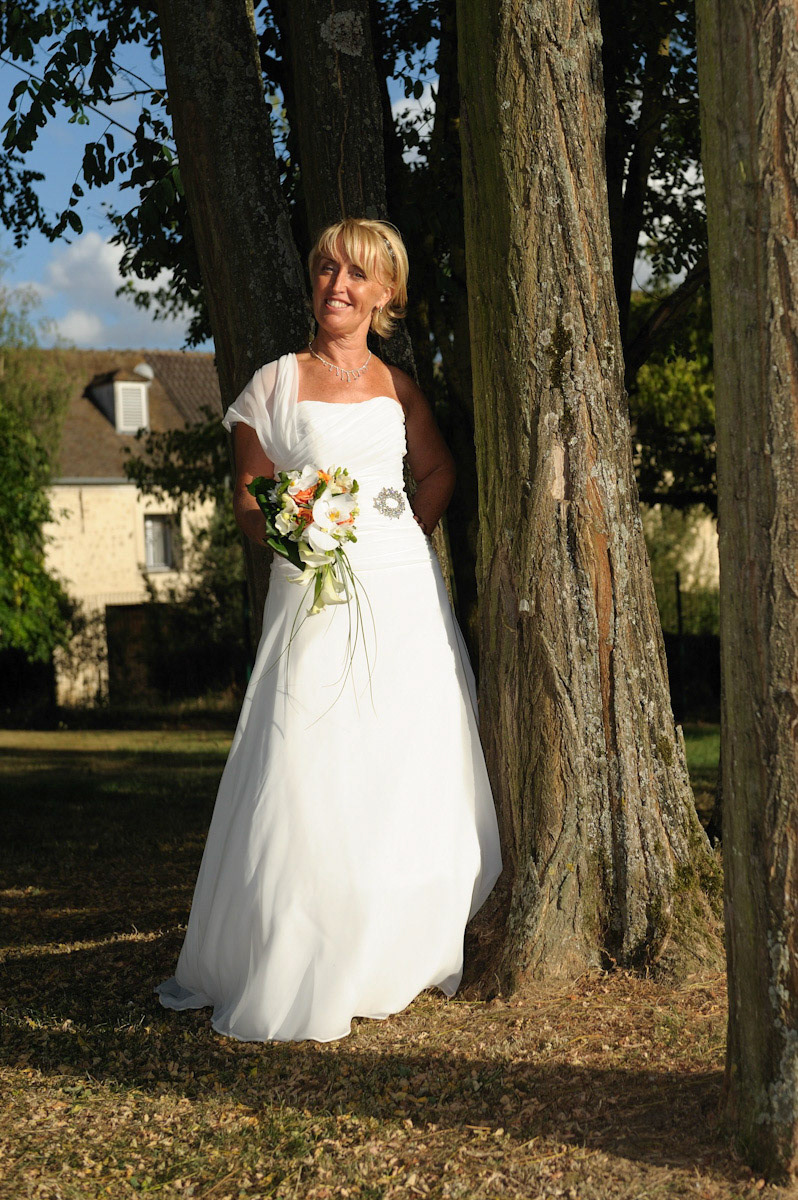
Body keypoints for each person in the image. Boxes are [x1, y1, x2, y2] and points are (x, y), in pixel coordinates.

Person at [155, 217, 502, 1043]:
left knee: (403, 749)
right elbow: (250, 500)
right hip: (313, 591)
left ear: (385, 293)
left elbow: (438, 470)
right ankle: (305, 940)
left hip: (402, 592)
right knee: (309, 751)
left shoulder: (398, 386)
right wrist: (298, 537)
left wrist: (399, 536)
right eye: (324, 269)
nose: (336, 285)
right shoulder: (274, 383)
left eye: (355, 274)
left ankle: (403, 934)